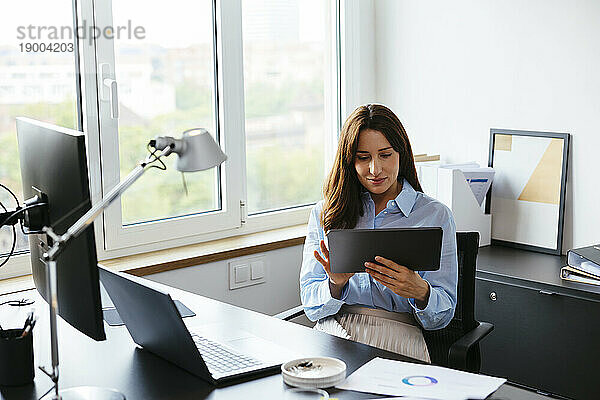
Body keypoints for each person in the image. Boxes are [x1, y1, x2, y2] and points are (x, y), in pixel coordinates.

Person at [299, 104, 458, 362]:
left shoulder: (435, 215)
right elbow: (311, 306)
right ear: (350, 160)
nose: (375, 169)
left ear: (401, 154)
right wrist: (335, 284)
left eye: (385, 155)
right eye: (363, 157)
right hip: (333, 333)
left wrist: (420, 291)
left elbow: (442, 316)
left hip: (399, 335)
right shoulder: (325, 213)